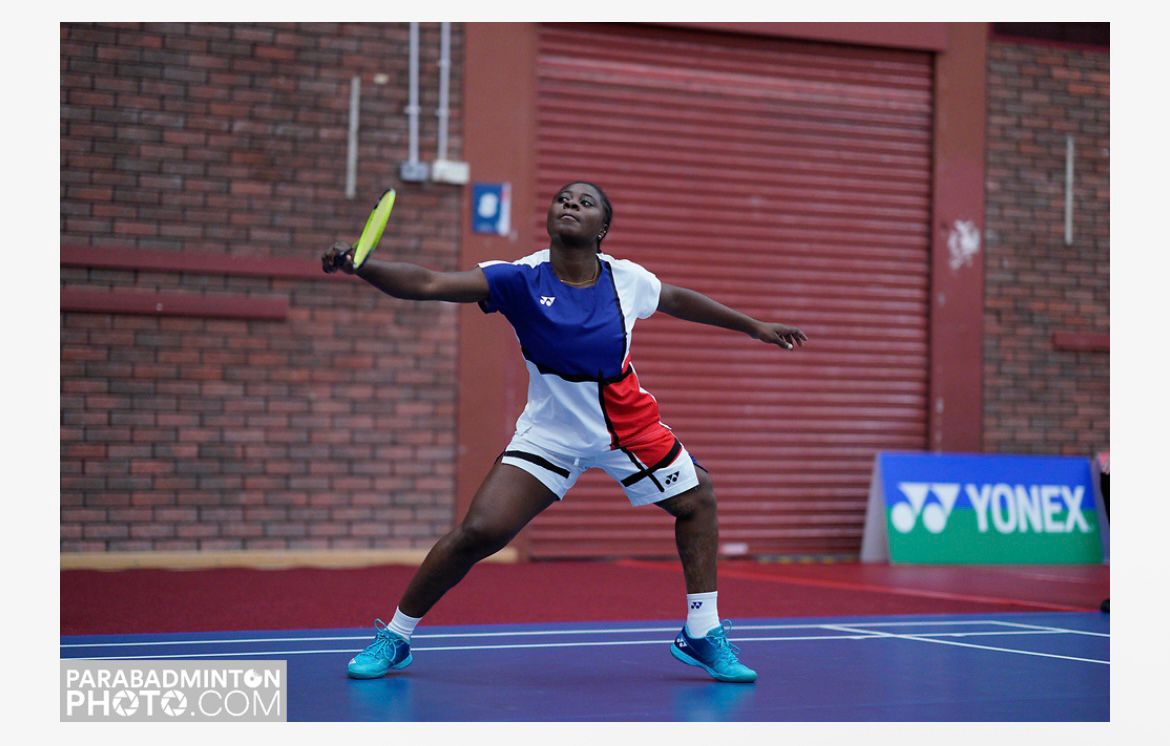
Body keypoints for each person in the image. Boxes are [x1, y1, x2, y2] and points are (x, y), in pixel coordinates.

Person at [321, 181, 806, 684]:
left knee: (697, 497)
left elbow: (679, 299)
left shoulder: (626, 279)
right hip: (550, 434)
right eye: (563, 198)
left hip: (625, 427)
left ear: (602, 228)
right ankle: (395, 637)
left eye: (585, 201)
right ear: (551, 217)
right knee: (478, 533)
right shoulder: (518, 279)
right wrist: (364, 266)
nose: (571, 204)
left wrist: (753, 326)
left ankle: (702, 632)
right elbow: (427, 283)